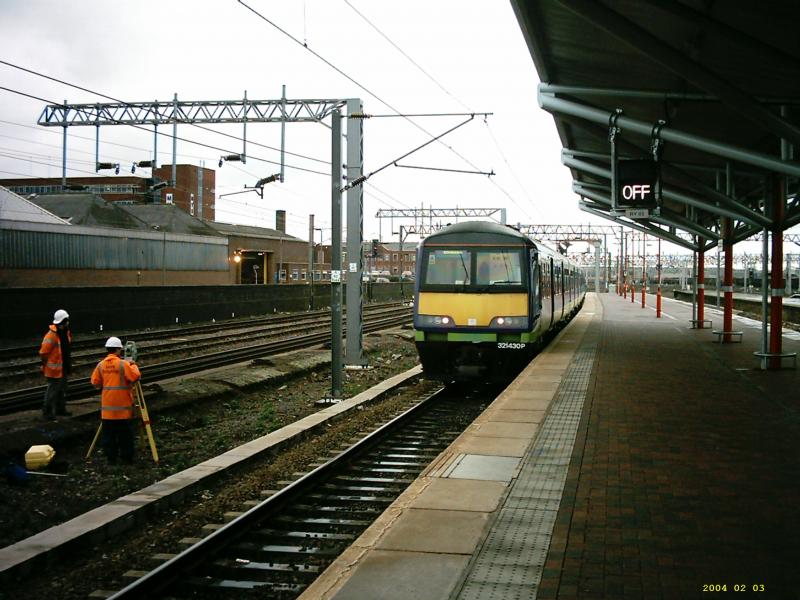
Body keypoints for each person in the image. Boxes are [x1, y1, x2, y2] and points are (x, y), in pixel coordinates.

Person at [91, 336, 141, 465]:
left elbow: (95, 382)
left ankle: (111, 459)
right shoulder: (123, 364)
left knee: (109, 436)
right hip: (123, 409)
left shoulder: (101, 365)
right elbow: (135, 377)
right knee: (125, 436)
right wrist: (134, 365)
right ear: (118, 350)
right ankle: (127, 458)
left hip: (107, 410)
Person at [38, 309, 72, 420]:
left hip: (63, 367)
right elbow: (43, 353)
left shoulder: (65, 332)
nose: (68, 323)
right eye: (66, 320)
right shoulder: (51, 335)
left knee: (61, 389)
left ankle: (60, 409)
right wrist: (44, 365)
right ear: (62, 321)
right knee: (52, 391)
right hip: (54, 369)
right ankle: (47, 412)